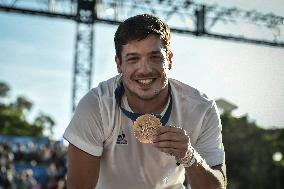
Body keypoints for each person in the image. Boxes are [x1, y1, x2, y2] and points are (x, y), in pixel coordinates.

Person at [63, 14, 226, 189]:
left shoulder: (201, 109)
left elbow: (218, 186)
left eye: (155, 57)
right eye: (133, 59)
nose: (145, 69)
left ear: (169, 60)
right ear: (119, 64)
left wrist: (189, 156)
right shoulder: (97, 105)